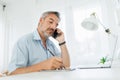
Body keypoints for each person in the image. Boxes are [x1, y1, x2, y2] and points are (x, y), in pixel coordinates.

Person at [8, 11, 70, 75]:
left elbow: (66, 66)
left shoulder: (51, 45)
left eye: (56, 25)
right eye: (50, 22)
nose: (53, 27)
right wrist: (42, 65)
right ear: (41, 20)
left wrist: (62, 42)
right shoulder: (24, 41)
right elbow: (13, 72)